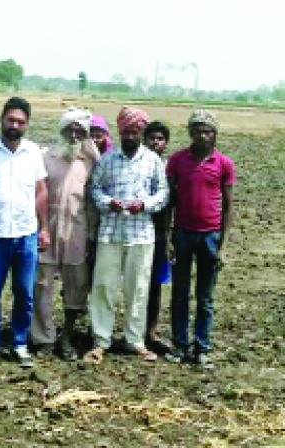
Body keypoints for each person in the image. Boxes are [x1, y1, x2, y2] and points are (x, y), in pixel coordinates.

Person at [83, 107, 168, 364]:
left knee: (138, 289)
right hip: (110, 232)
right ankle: (101, 341)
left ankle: (135, 340)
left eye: (135, 131)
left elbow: (162, 193)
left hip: (141, 233)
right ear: (120, 131)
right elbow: (94, 189)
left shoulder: (153, 161)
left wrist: (144, 205)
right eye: (126, 131)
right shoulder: (107, 159)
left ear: (141, 132)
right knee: (103, 288)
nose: (131, 135)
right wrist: (109, 202)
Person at [0, 97, 50, 368]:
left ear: (27, 124)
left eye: (20, 122)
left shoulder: (33, 152)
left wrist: (44, 228)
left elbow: (40, 191)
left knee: (24, 292)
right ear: (2, 119)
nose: (15, 125)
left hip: (26, 234)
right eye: (11, 120)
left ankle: (19, 342)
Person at [165, 110, 235, 369]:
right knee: (180, 293)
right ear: (190, 133)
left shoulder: (224, 164)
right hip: (182, 234)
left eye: (207, 131)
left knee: (205, 297)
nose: (201, 135)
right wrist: (168, 237)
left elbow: (228, 207)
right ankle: (180, 344)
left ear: (214, 134)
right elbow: (170, 202)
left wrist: (223, 246)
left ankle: (202, 347)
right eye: (196, 130)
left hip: (210, 237)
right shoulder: (177, 160)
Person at [31, 107, 100, 360]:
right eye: (69, 128)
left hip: (77, 234)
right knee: (42, 286)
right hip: (46, 231)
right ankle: (44, 338)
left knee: (76, 288)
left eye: (79, 130)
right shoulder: (45, 157)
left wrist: (92, 236)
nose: (74, 134)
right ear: (61, 129)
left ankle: (67, 337)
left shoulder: (92, 162)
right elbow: (36, 194)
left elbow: (93, 204)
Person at [143, 120, 172, 353]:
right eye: (152, 137)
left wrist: (169, 237)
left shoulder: (169, 169)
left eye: (160, 138)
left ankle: (150, 331)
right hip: (135, 231)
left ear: (166, 143)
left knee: (154, 286)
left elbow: (173, 207)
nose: (155, 142)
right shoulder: (137, 166)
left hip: (160, 234)